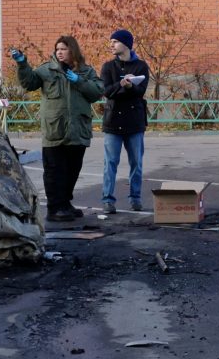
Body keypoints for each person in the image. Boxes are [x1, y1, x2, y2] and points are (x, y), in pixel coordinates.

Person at [12, 36, 103, 221]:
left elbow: (96, 93)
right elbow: (29, 83)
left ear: (73, 51)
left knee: (72, 169)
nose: (59, 52)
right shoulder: (47, 70)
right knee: (54, 170)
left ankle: (65, 203)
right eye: (57, 49)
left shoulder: (86, 71)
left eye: (64, 49)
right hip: (55, 129)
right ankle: (54, 208)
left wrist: (79, 81)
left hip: (78, 129)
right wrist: (22, 65)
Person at [99, 29, 150, 214]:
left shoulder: (141, 66)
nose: (111, 45)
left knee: (136, 162)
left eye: (115, 41)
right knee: (110, 162)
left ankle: (135, 198)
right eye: (111, 42)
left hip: (135, 122)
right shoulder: (108, 67)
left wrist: (129, 88)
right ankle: (107, 200)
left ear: (126, 44)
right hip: (113, 122)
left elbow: (140, 91)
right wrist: (122, 85)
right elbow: (106, 91)